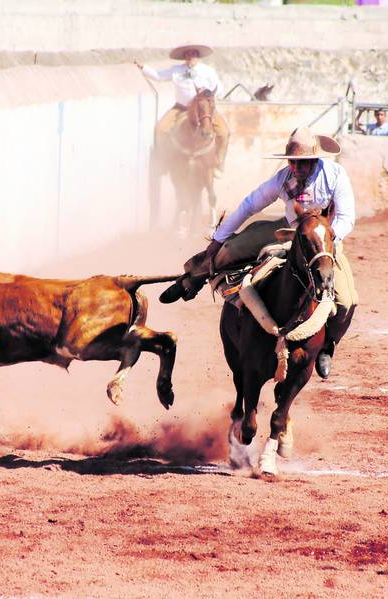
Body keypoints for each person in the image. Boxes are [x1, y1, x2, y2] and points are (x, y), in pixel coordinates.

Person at [160, 127, 358, 379]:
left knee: (346, 300)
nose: (297, 168)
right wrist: (217, 240)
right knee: (230, 248)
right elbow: (249, 205)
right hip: (288, 230)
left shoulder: (335, 175)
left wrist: (324, 241)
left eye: (303, 163)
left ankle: (328, 345)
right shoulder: (283, 179)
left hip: (323, 240)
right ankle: (191, 279)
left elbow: (346, 218)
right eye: (293, 163)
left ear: (316, 160)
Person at [135, 44, 230, 176]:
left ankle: (219, 163)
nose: (191, 57)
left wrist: (209, 94)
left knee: (224, 132)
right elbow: (158, 76)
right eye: (188, 54)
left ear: (198, 56)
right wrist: (143, 68)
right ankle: (162, 162)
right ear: (184, 57)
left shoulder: (208, 71)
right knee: (160, 129)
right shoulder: (176, 70)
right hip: (181, 107)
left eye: (193, 54)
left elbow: (219, 88)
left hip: (204, 109)